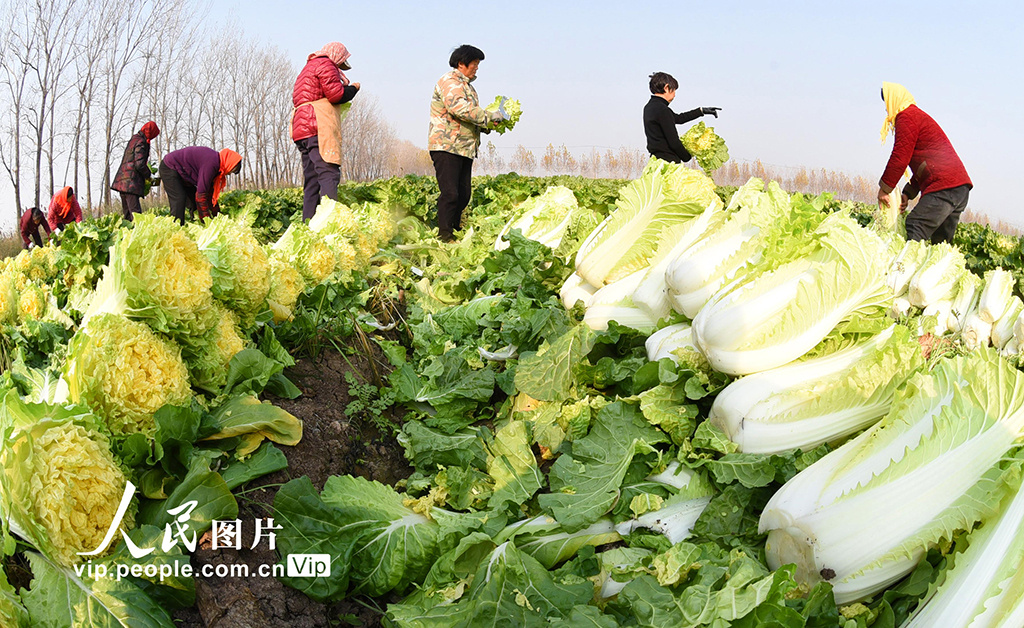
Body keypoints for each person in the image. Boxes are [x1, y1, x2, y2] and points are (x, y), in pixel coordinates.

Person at [877, 82, 972, 244]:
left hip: (944, 187)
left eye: (887, 103)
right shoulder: (916, 116)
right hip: (959, 188)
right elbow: (925, 167)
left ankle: (903, 268)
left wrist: (885, 189)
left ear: (894, 99)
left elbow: (900, 157)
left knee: (916, 224)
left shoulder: (907, 116)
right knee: (939, 243)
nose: (887, 109)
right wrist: (907, 193)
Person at [427, 44, 504, 242]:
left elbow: (469, 116)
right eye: (474, 63)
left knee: (464, 194)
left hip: (464, 147)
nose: (476, 68)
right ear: (461, 63)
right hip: (447, 145)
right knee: (450, 193)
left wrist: (489, 124)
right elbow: (459, 108)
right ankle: (444, 235)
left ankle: (454, 228)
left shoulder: (468, 87)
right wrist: (487, 116)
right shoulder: (450, 82)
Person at [292, 42, 360, 221]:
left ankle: (308, 225)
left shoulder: (308, 67)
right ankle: (329, 224)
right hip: (317, 126)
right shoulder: (325, 65)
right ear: (336, 55)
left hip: (301, 129)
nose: (340, 66)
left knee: (312, 180)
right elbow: (336, 95)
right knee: (328, 172)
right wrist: (353, 89)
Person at [643, 72, 721, 163]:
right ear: (666, 88)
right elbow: (674, 142)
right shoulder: (663, 110)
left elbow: (679, 118)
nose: (675, 95)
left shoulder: (649, 107)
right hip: (668, 162)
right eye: (674, 90)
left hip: (655, 161)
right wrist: (686, 156)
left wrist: (701, 110)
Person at [159, 147, 242, 224]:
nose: (228, 173)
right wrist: (207, 221)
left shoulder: (217, 166)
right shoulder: (212, 163)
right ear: (229, 164)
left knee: (193, 203)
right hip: (169, 167)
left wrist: (218, 215)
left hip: (183, 174)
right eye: (231, 170)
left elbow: (209, 194)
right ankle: (175, 229)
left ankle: (193, 225)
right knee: (179, 199)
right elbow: (201, 195)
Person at [111, 120, 160, 220]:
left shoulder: (134, 139)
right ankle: (137, 234)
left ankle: (127, 234)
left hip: (123, 182)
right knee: (136, 216)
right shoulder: (141, 142)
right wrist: (149, 175)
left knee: (128, 216)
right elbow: (139, 164)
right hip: (131, 183)